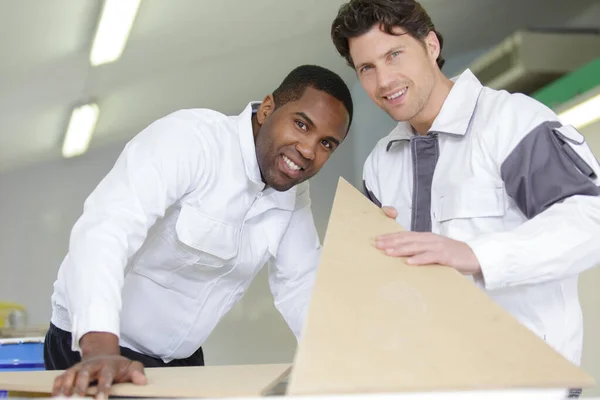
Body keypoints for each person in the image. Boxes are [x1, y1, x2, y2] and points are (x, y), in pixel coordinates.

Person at [330, 1, 600, 397]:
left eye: (394, 55)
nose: (384, 80)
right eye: (366, 68)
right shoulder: (380, 163)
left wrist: (475, 255)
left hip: (526, 386)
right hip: (428, 383)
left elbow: (589, 222)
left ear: (432, 45)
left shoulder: (511, 122)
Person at [45, 64, 353, 397]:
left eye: (326, 144)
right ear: (267, 109)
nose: (308, 150)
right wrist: (101, 347)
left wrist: (341, 366)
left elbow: (300, 282)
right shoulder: (191, 141)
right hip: (97, 347)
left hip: (179, 363)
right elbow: (106, 229)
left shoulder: (292, 194)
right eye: (300, 124)